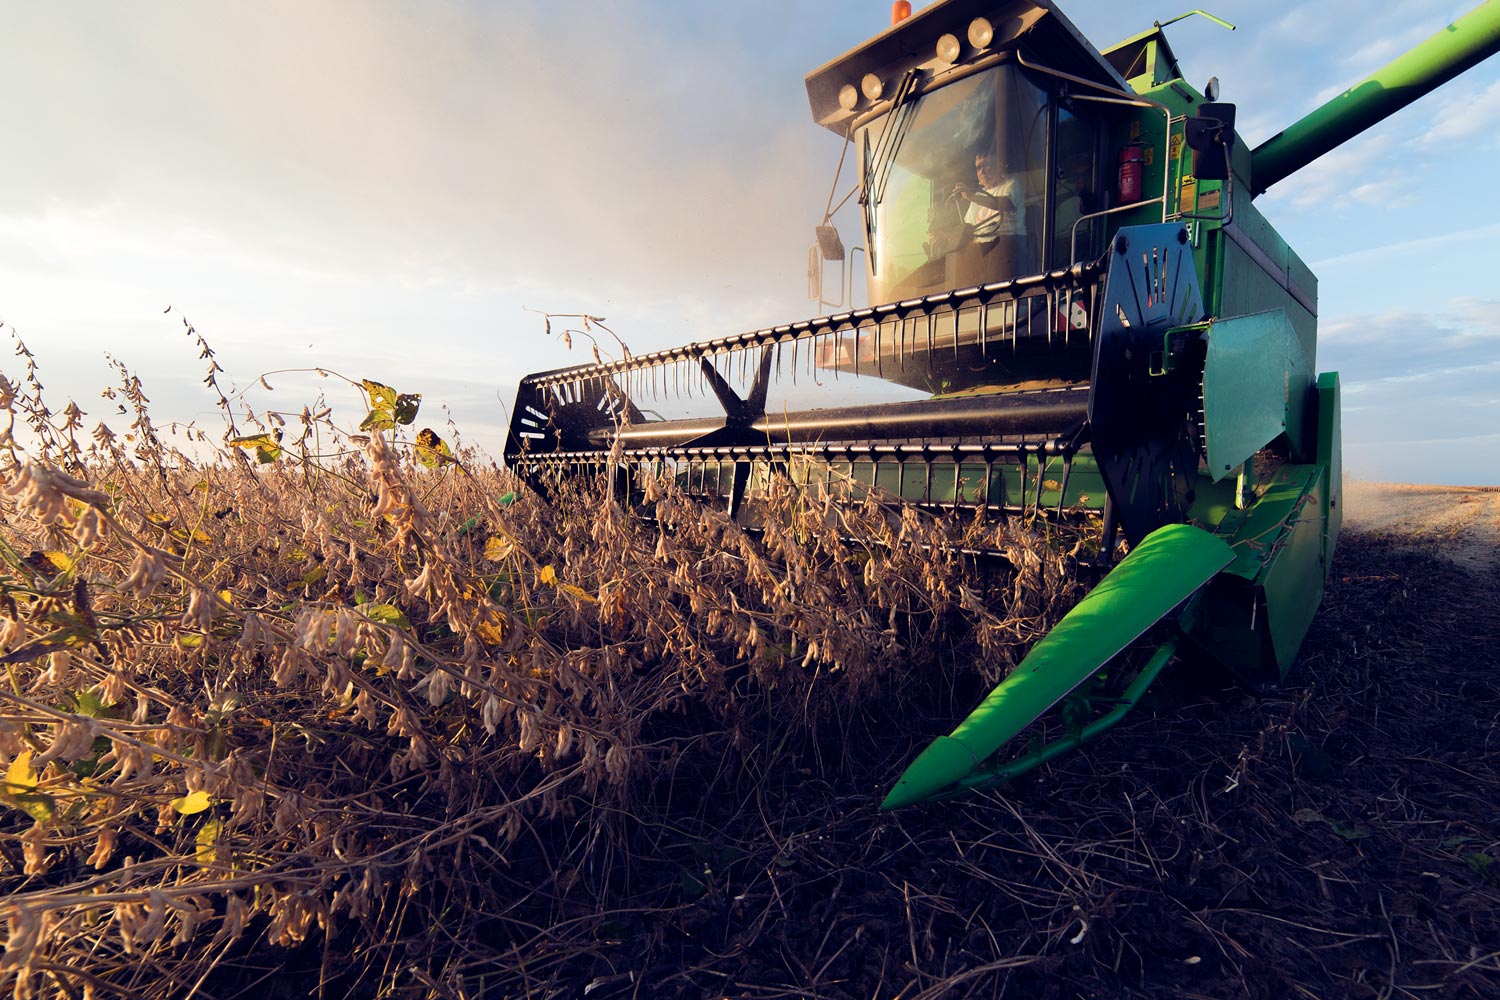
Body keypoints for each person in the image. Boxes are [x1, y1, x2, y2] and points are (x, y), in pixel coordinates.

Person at [953, 149, 1024, 244]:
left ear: (998, 166)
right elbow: (968, 226)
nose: (982, 171)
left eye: (987, 166)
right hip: (981, 250)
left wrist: (972, 197)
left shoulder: (1011, 183)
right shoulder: (979, 195)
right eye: (978, 168)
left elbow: (1007, 204)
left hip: (1008, 244)